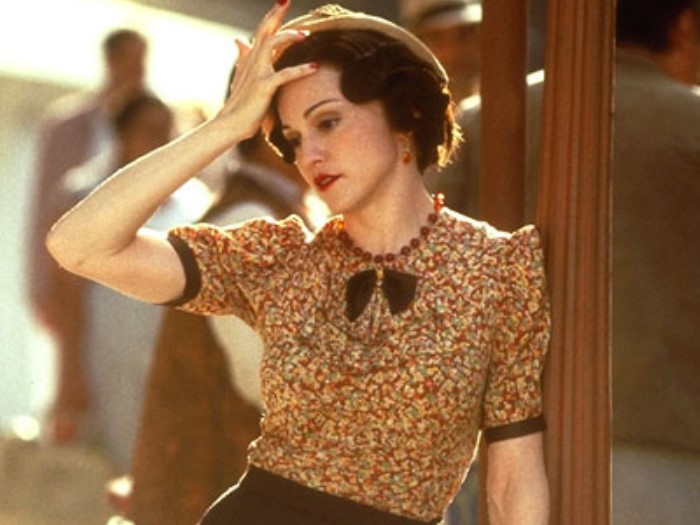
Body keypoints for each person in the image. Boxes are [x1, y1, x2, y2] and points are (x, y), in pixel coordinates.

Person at [46, 2, 550, 524]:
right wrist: (226, 126)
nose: (309, 155)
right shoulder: (278, 258)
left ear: (408, 116)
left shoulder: (500, 269)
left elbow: (514, 481)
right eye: (293, 139)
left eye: (327, 122)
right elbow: (78, 245)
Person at [452, 0, 700, 522]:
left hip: (505, 456)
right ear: (682, 24)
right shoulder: (690, 125)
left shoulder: (487, 120)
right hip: (673, 449)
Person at [125, 128, 325, 525]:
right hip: (216, 483)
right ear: (265, 133)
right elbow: (260, 377)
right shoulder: (246, 218)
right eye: (297, 130)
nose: (320, 145)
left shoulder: (281, 211)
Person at [55, 93, 213, 472]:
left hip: (173, 355)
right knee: (118, 459)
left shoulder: (197, 203)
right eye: (148, 131)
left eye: (167, 133)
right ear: (122, 135)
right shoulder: (89, 196)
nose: (159, 142)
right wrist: (70, 372)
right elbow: (69, 293)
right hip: (110, 349)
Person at [28, 28, 149, 443]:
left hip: (132, 282)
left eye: (142, 59)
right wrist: (41, 289)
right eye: (130, 59)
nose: (138, 69)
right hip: (75, 279)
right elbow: (43, 212)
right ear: (110, 61)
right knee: (74, 392)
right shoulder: (66, 124)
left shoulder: (152, 117)